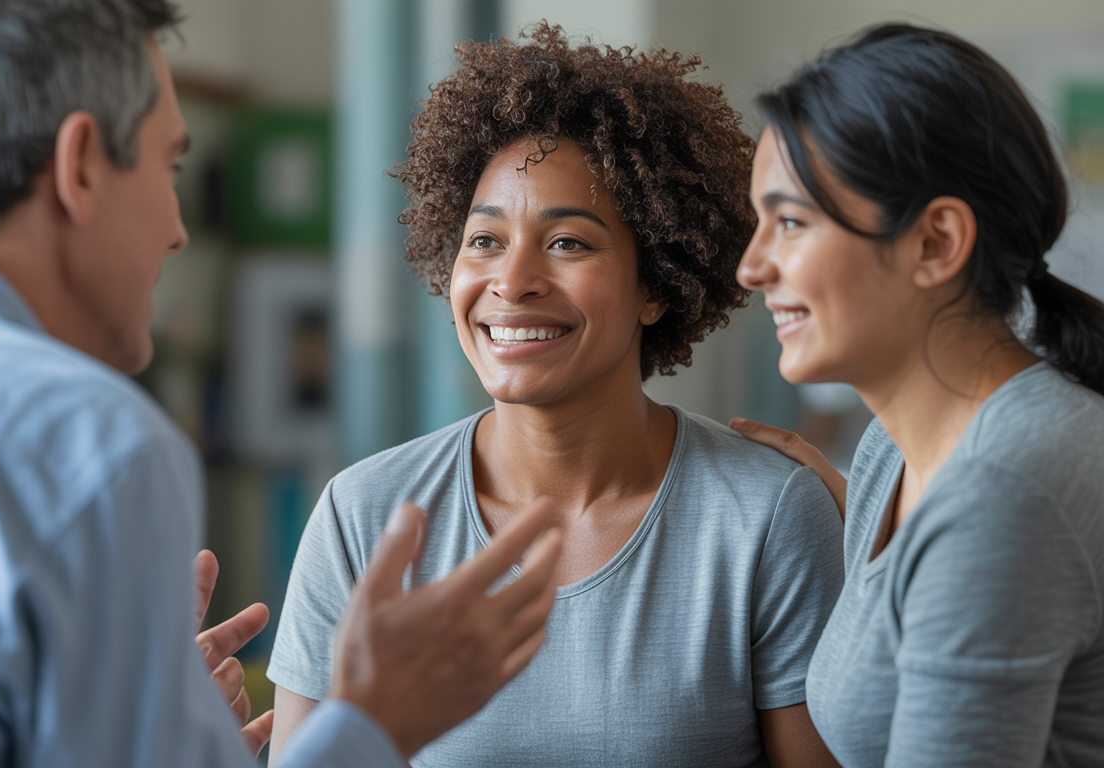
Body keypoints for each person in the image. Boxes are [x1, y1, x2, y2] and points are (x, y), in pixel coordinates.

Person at [0, 1, 564, 766]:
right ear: (79, 165)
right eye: (167, 165)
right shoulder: (87, 441)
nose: (177, 228)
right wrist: (375, 721)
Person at [267, 24, 844, 767]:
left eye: (568, 242)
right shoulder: (362, 516)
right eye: (484, 240)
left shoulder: (766, 516)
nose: (511, 281)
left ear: (656, 286)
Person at [731, 23, 1104, 767]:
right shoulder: (886, 452)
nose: (751, 267)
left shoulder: (1004, 489)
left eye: (792, 223)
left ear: (935, 242)